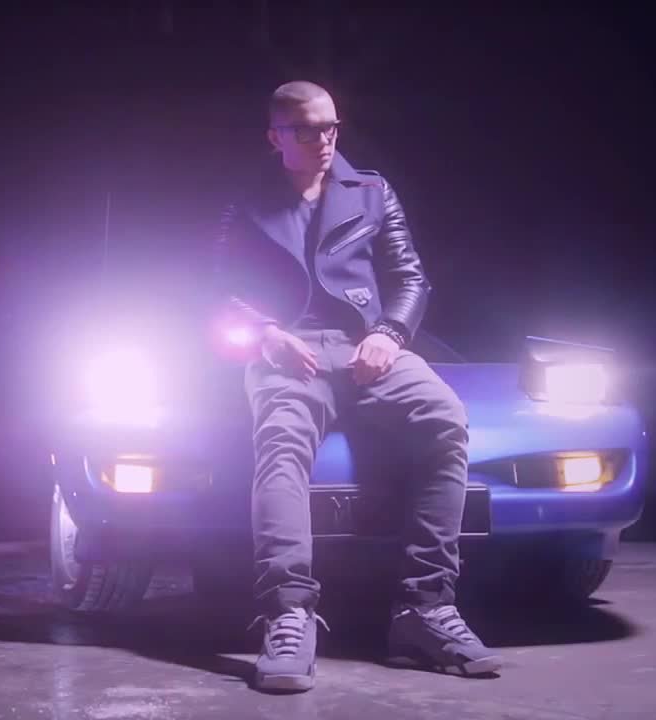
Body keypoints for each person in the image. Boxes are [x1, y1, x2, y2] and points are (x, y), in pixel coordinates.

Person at [212, 80, 501, 692]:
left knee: (445, 418)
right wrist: (266, 334)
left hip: (367, 345)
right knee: (281, 444)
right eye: (307, 130)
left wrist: (391, 333)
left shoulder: (371, 191)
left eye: (331, 127)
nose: (324, 140)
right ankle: (288, 614)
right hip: (288, 351)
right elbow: (217, 289)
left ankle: (425, 610)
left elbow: (410, 277)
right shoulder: (245, 200)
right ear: (275, 137)